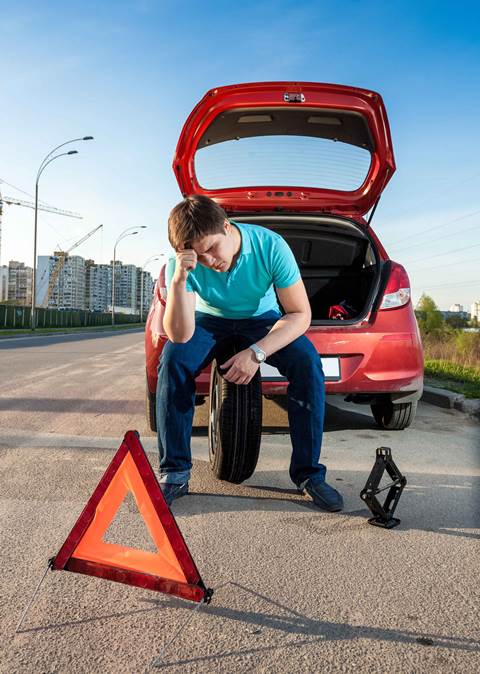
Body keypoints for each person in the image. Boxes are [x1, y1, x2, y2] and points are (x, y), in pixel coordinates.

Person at [156, 194, 343, 512]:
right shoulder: (182, 264)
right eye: (198, 257)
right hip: (208, 319)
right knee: (173, 360)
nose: (209, 262)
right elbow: (180, 334)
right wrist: (178, 280)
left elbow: (300, 315)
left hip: (261, 320)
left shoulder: (270, 246)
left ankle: (308, 474)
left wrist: (256, 353)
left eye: (212, 249)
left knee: (308, 364)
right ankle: (174, 473)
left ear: (227, 227)